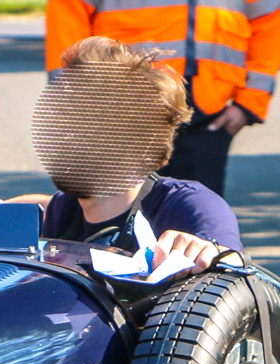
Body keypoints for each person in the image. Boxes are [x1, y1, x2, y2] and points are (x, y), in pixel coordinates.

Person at [43, 0, 280, 195]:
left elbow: (270, 18)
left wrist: (250, 101)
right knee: (113, 214)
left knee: (196, 217)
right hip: (121, 102)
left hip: (210, 108)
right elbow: (67, 16)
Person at [36, 36, 241, 270]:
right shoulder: (62, 211)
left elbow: (231, 262)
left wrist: (209, 250)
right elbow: (30, 205)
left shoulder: (188, 205)